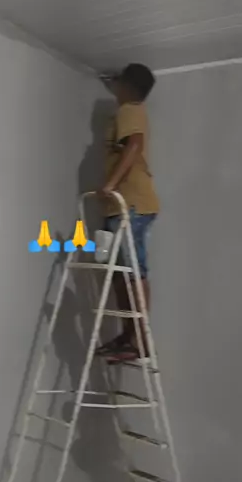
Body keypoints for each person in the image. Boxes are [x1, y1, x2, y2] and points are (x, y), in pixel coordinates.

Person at [96, 63, 159, 363]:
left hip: (131, 203)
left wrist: (109, 184)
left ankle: (139, 339)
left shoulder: (130, 110)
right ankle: (128, 335)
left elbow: (134, 145)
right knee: (120, 274)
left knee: (134, 271)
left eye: (120, 83)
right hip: (121, 205)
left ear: (128, 87)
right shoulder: (126, 110)